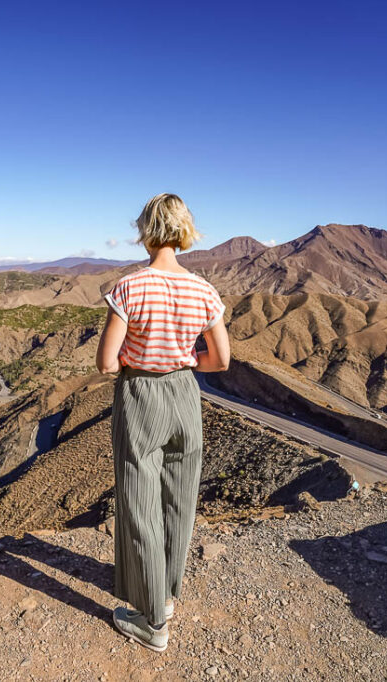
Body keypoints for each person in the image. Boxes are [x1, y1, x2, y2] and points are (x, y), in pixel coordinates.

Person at [95, 193, 231, 652]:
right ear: (185, 231)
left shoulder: (129, 288)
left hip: (141, 395)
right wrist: (184, 359)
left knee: (140, 505)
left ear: (146, 230)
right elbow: (221, 359)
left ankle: (152, 624)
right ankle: (166, 595)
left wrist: (142, 355)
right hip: (186, 395)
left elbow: (107, 364)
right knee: (179, 501)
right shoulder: (203, 290)